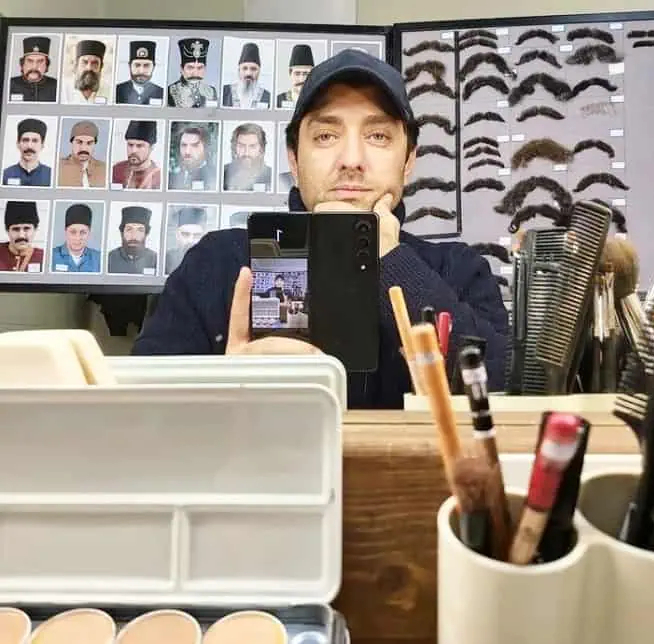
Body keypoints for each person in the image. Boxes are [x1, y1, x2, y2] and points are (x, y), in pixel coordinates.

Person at [132, 49, 509, 409]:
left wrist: (390, 260)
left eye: (378, 136)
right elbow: (139, 412)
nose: (351, 160)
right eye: (326, 136)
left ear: (408, 161)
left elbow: (505, 394)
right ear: (294, 161)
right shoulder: (216, 264)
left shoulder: (457, 270)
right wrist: (226, 390)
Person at [51, 203, 101, 273]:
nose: (78, 238)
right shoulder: (51, 256)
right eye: (73, 232)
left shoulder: (99, 258)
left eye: (83, 232)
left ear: (89, 233)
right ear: (65, 231)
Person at [107, 205, 157, 275]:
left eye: (140, 230)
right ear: (122, 232)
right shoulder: (109, 258)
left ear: (146, 233)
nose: (134, 236)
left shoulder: (155, 259)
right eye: (129, 229)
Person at [167, 38, 217, 108]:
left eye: (200, 68)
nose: (195, 73)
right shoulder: (170, 91)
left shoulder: (211, 91)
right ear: (181, 69)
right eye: (190, 68)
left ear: (205, 69)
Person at [2, 118, 52, 187]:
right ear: (18, 144)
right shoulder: (5, 174)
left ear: (42, 145)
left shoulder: (50, 175)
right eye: (25, 140)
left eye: (35, 141)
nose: (29, 146)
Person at [111, 120, 161, 189]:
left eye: (139, 146)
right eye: (130, 145)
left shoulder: (158, 178)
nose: (133, 151)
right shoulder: (117, 169)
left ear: (151, 147)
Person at [223, 123, 272, 191]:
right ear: (234, 148)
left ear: (261, 149)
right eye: (241, 146)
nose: (246, 153)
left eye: (252, 146)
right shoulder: (222, 174)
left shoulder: (272, 176)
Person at [57, 120, 106, 188]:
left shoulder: (104, 169)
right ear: (71, 142)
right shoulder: (58, 167)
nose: (84, 148)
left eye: (89, 143)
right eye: (79, 142)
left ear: (94, 144)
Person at [167, 124, 217, 191]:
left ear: (206, 148)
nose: (187, 152)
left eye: (194, 145)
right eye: (184, 145)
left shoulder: (215, 177)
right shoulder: (170, 178)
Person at [222, 42, 271, 109]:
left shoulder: (268, 97)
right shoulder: (224, 91)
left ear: (259, 72)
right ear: (239, 71)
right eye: (244, 68)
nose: (248, 73)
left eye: (253, 69)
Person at [9, 36, 58, 102]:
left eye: (40, 61)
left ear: (46, 65)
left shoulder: (56, 86)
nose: (34, 67)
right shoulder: (10, 84)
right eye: (30, 61)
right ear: (22, 64)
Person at [0, 200, 43, 272]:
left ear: (35, 229)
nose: (21, 235)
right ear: (7, 230)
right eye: (15, 229)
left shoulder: (43, 258)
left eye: (26, 228)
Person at [115, 40, 163, 105]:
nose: (141, 71)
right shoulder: (117, 90)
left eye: (146, 65)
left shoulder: (161, 93)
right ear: (129, 66)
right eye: (137, 65)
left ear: (153, 67)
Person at [62, 39, 107, 104]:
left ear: (100, 67)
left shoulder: (109, 92)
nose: (89, 68)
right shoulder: (63, 90)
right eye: (85, 62)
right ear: (76, 65)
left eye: (95, 63)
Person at [165, 206, 206, 274]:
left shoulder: (211, 259)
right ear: (177, 235)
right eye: (185, 234)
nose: (190, 240)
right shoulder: (167, 258)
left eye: (196, 235)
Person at [276, 44, 314, 108]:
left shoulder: (319, 100)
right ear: (290, 73)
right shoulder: (278, 101)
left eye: (306, 74)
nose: (301, 79)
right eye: (297, 73)